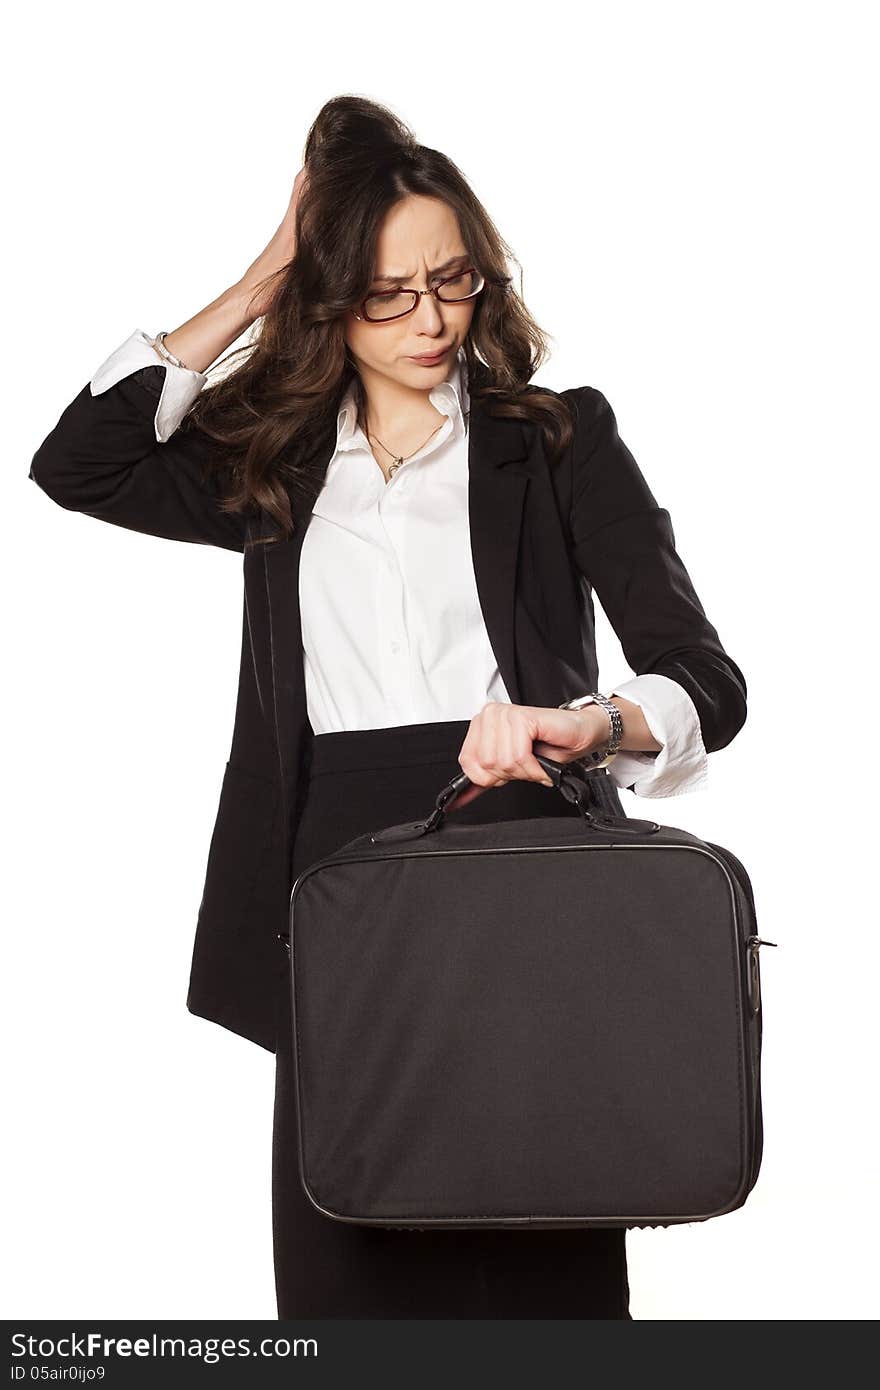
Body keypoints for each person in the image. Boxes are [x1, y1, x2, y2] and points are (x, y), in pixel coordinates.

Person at [28, 96, 747, 1320]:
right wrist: (265, 272)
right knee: (345, 1268)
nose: (428, 319)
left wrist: (591, 724)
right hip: (330, 867)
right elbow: (79, 461)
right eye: (383, 290)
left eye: (451, 281)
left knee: (540, 1257)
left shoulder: (557, 439)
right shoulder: (275, 459)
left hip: (517, 848)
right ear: (330, 294)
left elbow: (704, 680)